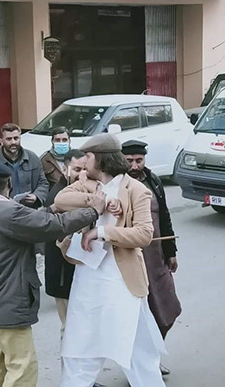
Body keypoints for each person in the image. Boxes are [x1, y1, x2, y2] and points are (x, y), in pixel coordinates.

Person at [0, 159, 104, 387]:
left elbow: (33, 221)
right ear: (9, 182)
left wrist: (49, 209)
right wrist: (93, 211)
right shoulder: (8, 212)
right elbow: (53, 226)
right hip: (8, 302)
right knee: (22, 366)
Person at [53, 133, 165, 387]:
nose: (83, 161)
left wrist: (101, 231)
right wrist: (97, 203)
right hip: (87, 281)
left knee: (139, 355)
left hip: (122, 283)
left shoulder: (137, 189)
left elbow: (144, 234)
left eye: (88, 156)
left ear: (101, 159)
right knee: (79, 353)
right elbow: (59, 200)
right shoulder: (89, 184)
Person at [121, 139, 181, 376]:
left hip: (156, 258)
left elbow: (164, 216)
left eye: (139, 161)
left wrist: (171, 251)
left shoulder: (153, 180)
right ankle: (141, 366)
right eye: (129, 161)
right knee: (138, 317)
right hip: (131, 259)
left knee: (167, 309)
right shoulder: (118, 185)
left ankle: (152, 358)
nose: (135, 166)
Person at [43, 149, 88, 340]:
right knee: (70, 328)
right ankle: (69, 368)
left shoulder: (84, 190)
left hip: (78, 270)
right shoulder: (58, 196)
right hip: (62, 272)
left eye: (85, 169)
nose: (82, 174)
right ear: (64, 168)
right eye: (77, 169)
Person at [0, 123, 48, 208]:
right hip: (1, 210)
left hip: (29, 210)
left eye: (16, 138)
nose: (13, 142)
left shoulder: (33, 158)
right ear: (1, 141)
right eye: (9, 139)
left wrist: (36, 196)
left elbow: (43, 183)